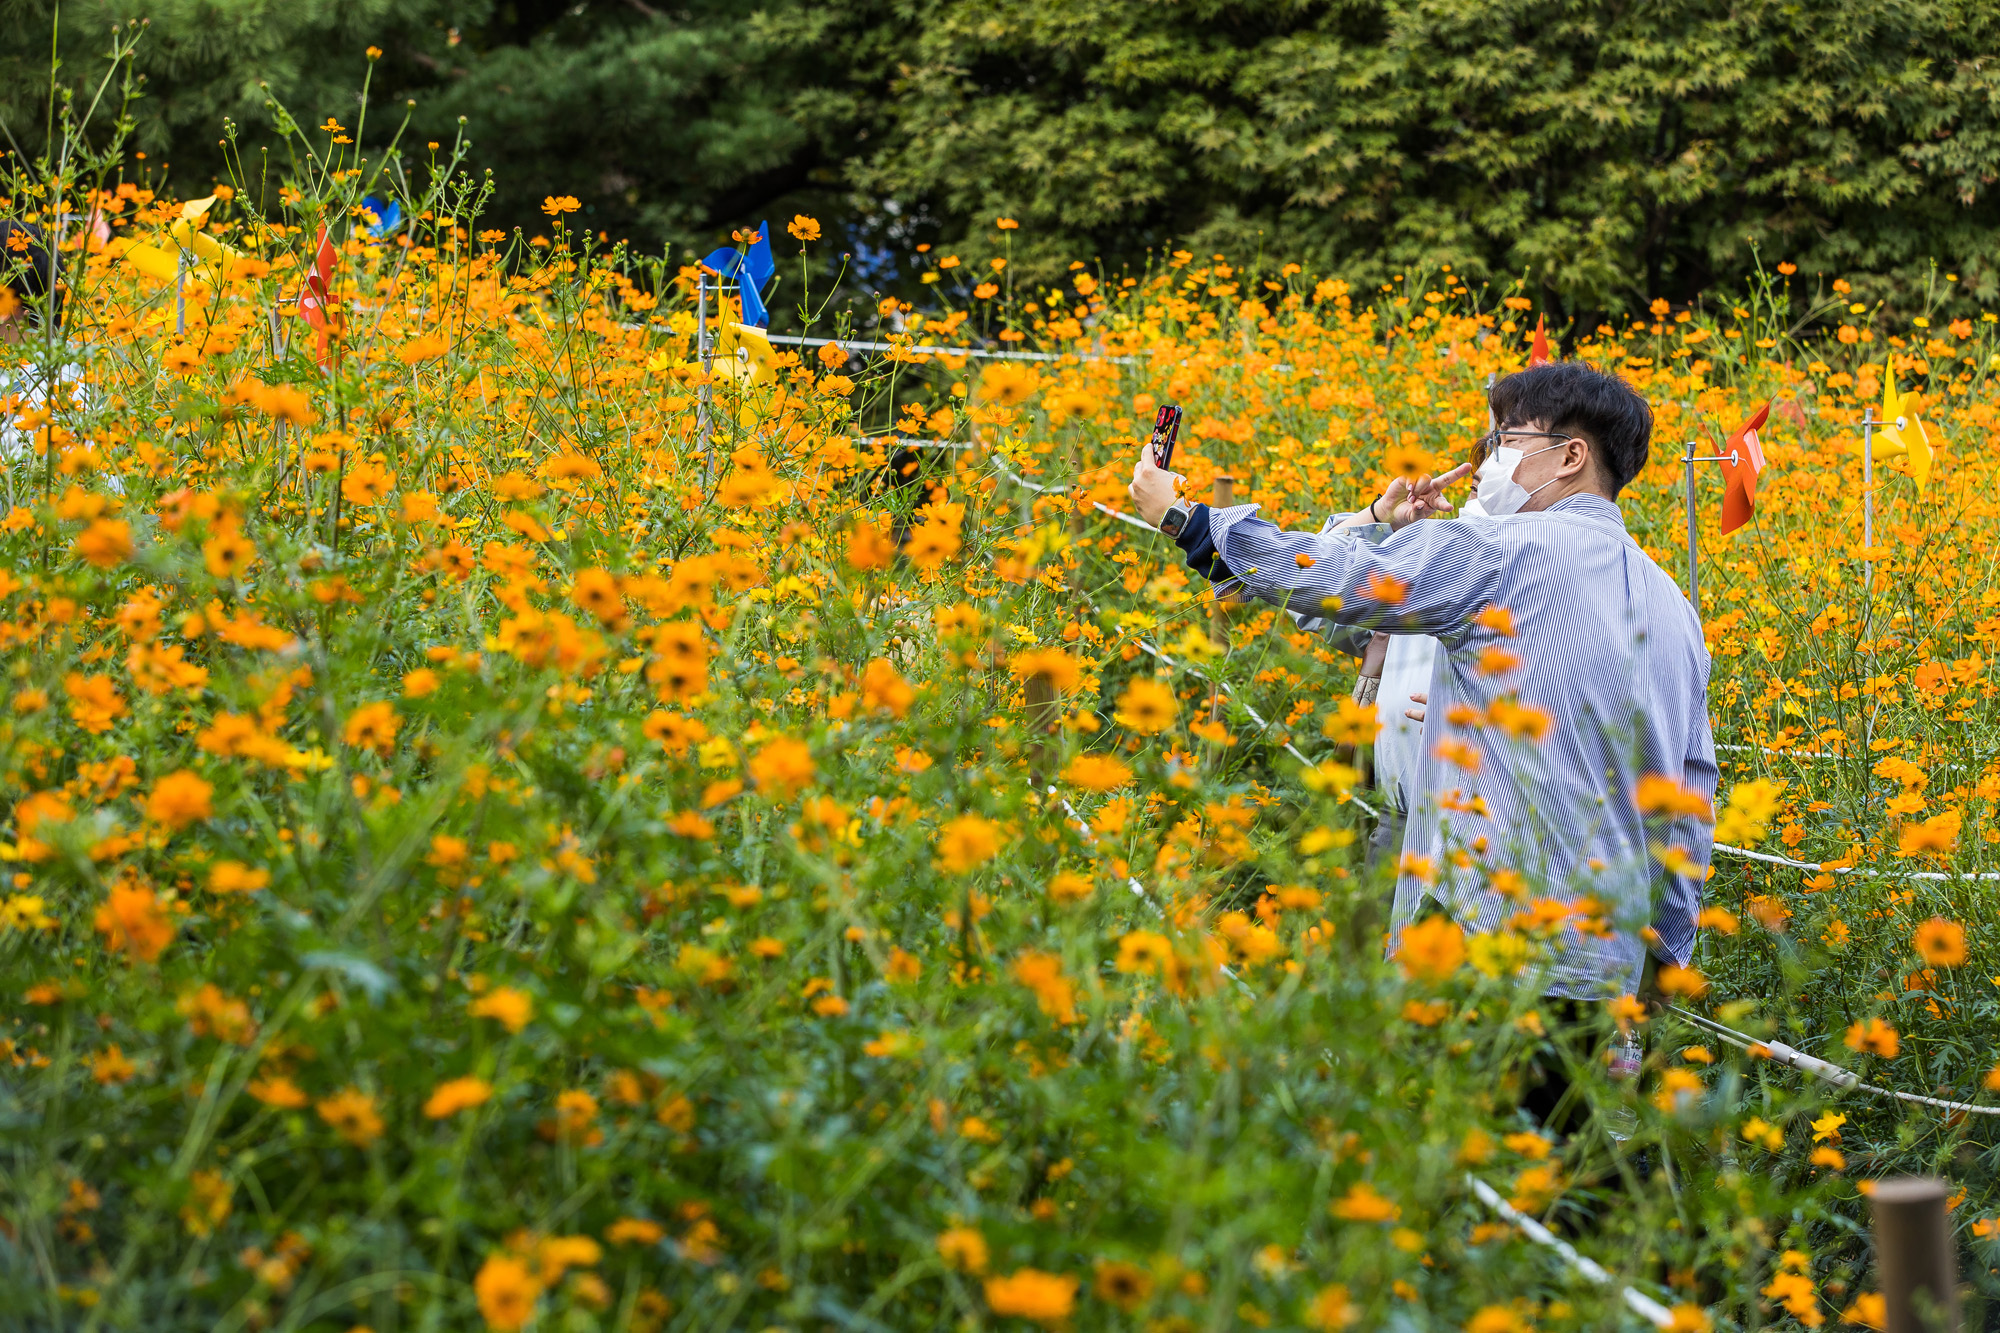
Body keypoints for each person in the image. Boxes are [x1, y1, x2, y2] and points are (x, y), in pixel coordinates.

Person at [1129, 361, 1717, 1013]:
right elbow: (1692, 796)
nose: (1490, 459)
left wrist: (1188, 521)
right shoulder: (1675, 608)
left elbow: (1339, 574)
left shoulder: (1502, 549)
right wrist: (1664, 958)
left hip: (1482, 954)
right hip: (1601, 973)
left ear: (1571, 456)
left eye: (1506, 440)